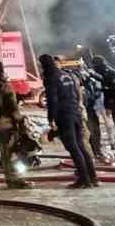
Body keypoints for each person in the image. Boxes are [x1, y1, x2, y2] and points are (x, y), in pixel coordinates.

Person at [39, 54, 98, 188]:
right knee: (81, 146)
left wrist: (51, 119)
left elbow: (52, 100)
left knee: (73, 147)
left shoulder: (51, 78)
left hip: (64, 115)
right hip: (75, 112)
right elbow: (77, 94)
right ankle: (93, 178)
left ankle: (84, 180)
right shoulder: (67, 75)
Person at [0, 59, 34, 188]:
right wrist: (21, 122)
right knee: (13, 153)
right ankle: (16, 180)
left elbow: (0, 103)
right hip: (9, 124)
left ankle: (9, 179)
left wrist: (19, 97)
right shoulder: (5, 85)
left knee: (4, 153)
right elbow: (12, 107)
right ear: (2, 70)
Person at [80, 59, 110, 164]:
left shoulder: (91, 81)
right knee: (91, 132)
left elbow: (97, 90)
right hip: (87, 110)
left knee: (96, 131)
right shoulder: (81, 85)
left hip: (92, 109)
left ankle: (97, 151)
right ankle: (94, 153)